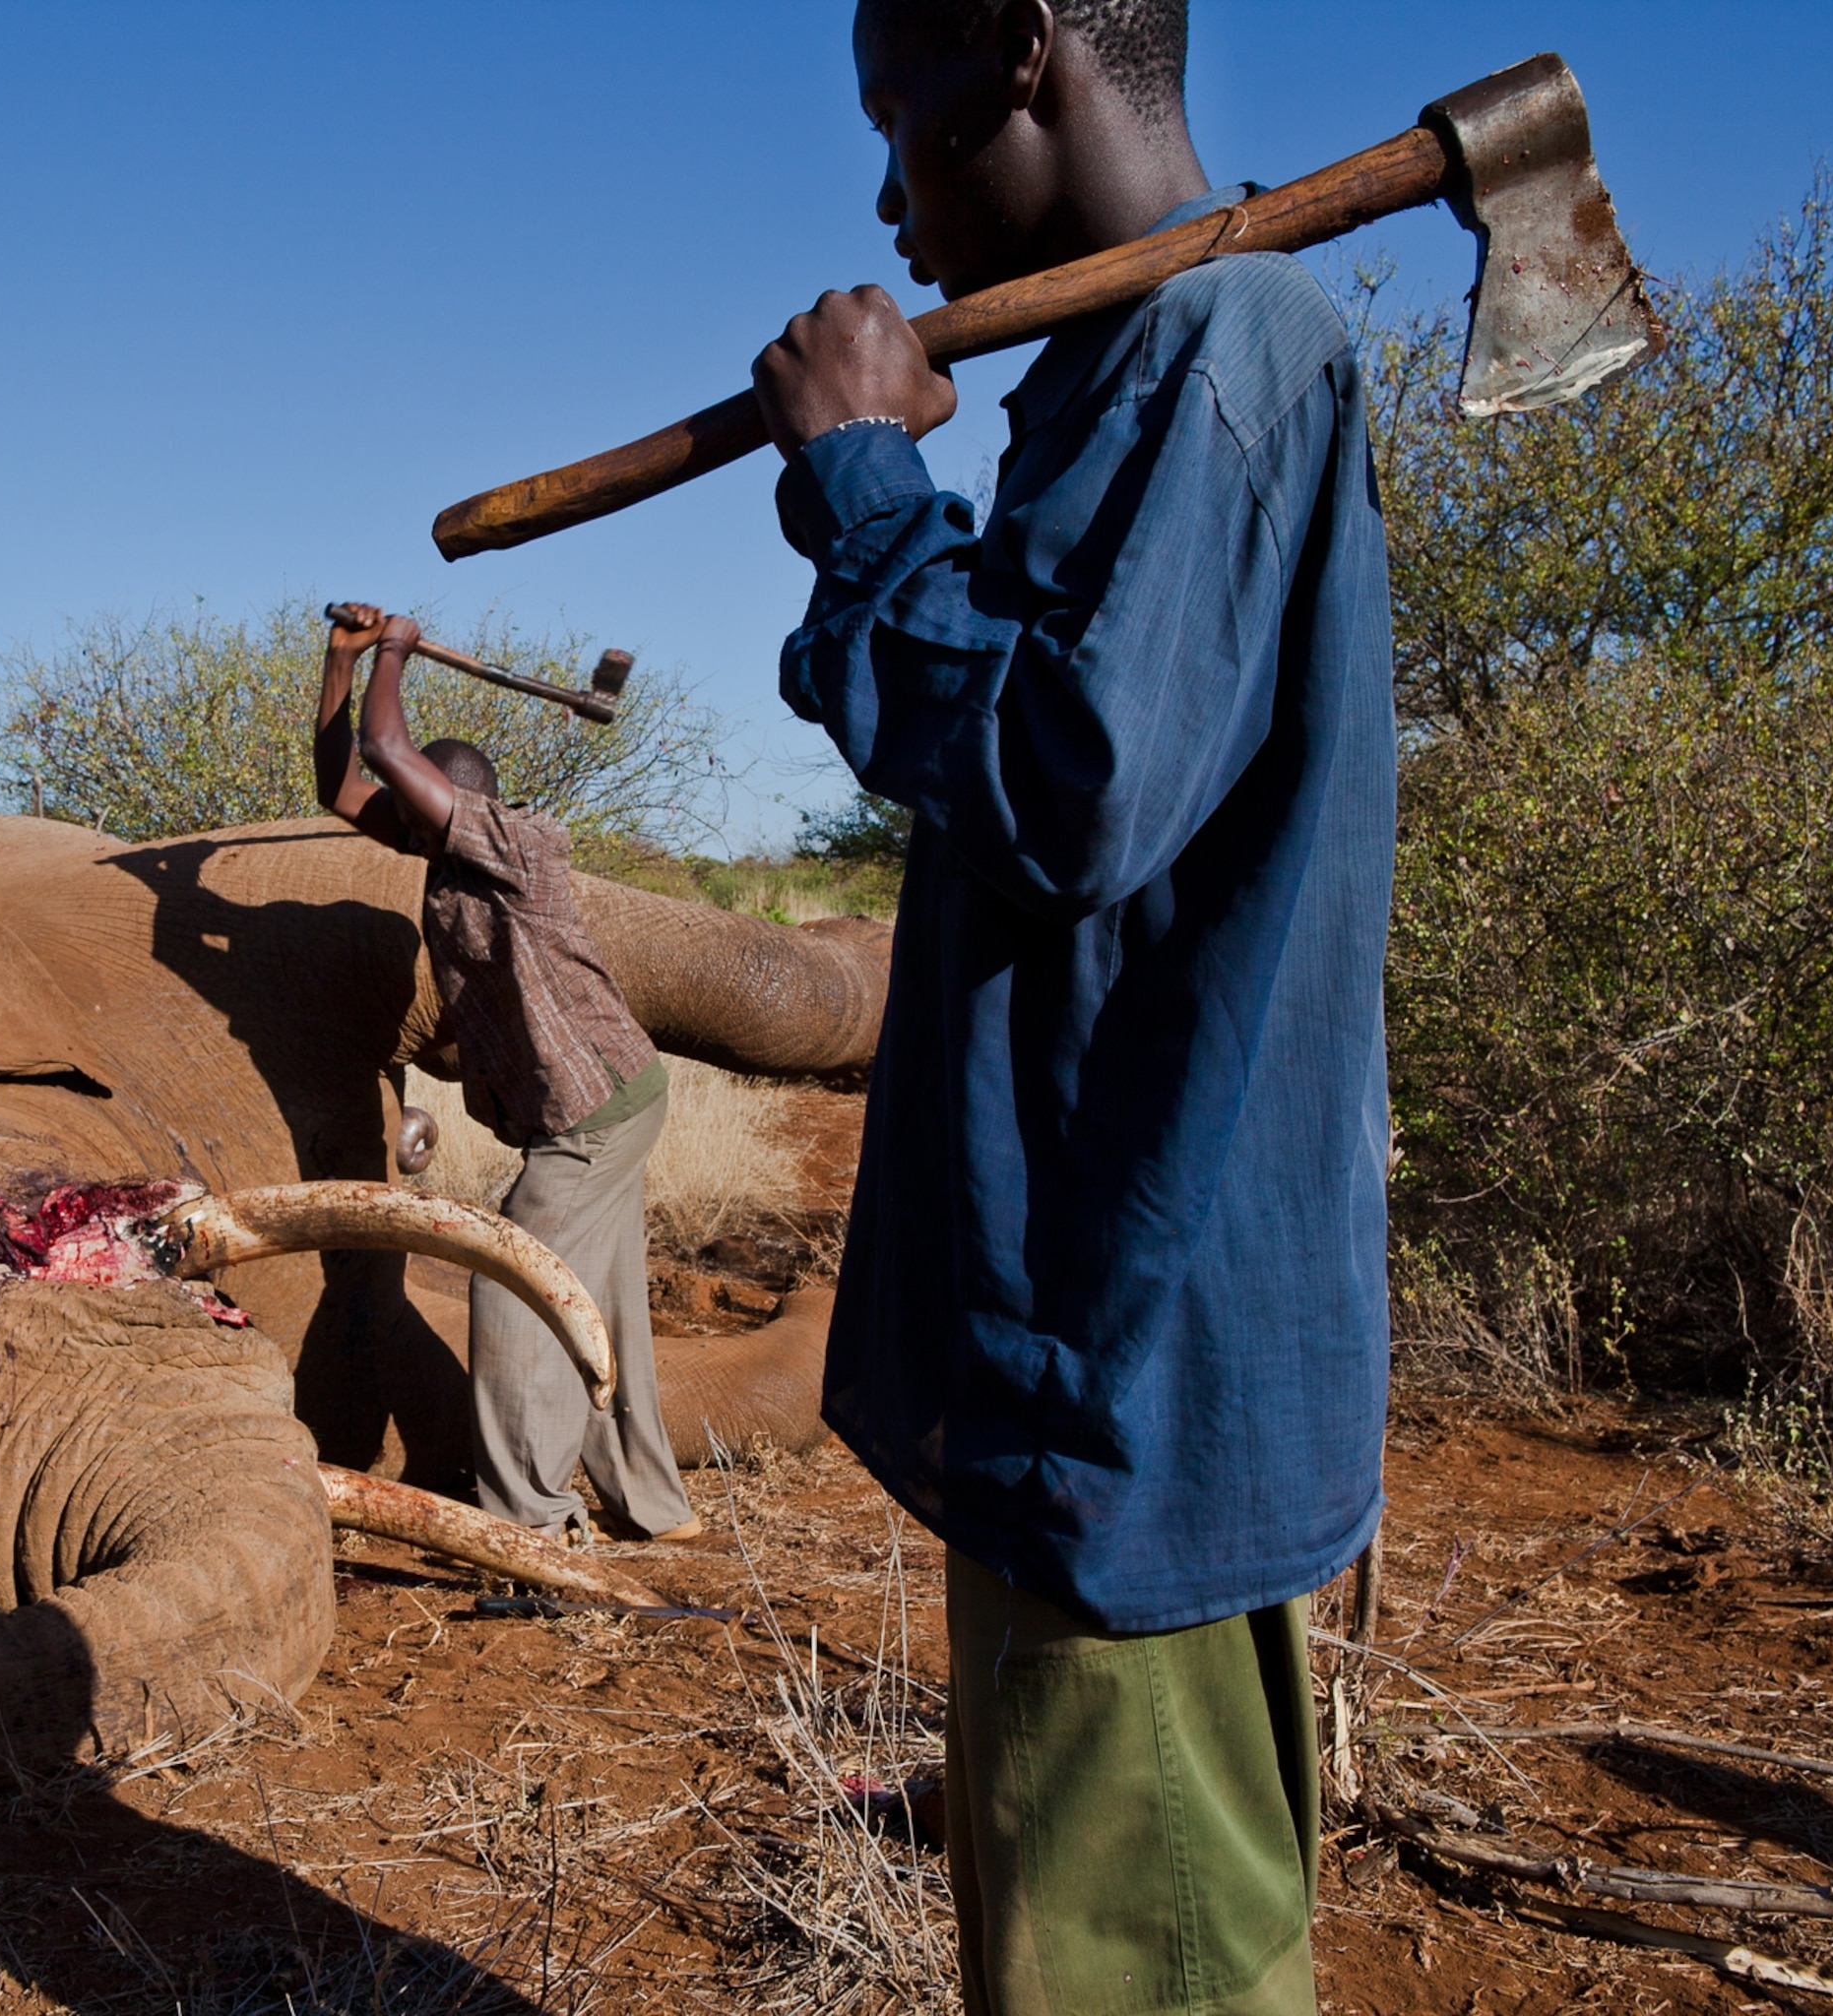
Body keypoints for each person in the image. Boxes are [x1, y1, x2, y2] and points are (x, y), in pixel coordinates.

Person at [749, 0, 1392, 2009]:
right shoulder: (1141, 361)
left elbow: (1066, 778)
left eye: (898, 116)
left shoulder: (1228, 347)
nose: (886, 191)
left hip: (1129, 1363)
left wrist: (864, 484)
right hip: (1088, 1366)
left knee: (1142, 1968)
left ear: (1025, 49)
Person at [312, 604, 698, 1545]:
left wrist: (395, 649)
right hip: (599, 1102)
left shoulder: (518, 845)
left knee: (517, 1282)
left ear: (457, 802)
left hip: (592, 1111)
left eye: (415, 801)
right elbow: (341, 786)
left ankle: (532, 1522)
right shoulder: (441, 851)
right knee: (596, 1302)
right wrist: (338, 663)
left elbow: (388, 747)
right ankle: (652, 1503)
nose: (395, 819)